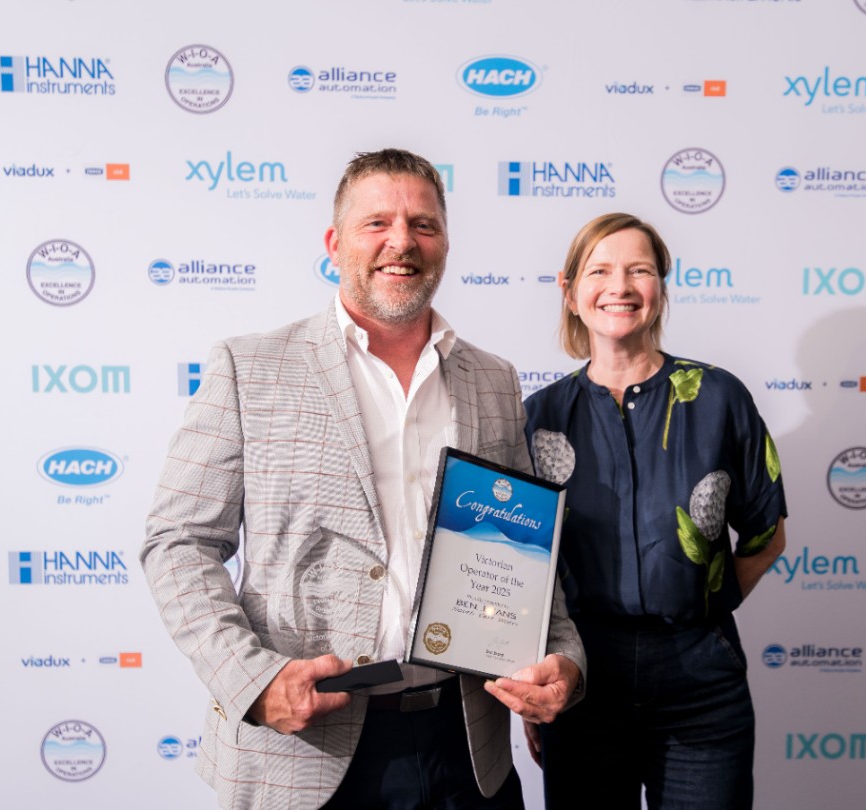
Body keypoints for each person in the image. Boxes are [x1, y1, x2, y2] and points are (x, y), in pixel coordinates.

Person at [141, 149, 584, 810]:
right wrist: (252, 681)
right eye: (377, 223)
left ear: (445, 243)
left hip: (467, 746)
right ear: (334, 243)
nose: (401, 241)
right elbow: (177, 543)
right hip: (304, 751)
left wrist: (563, 655)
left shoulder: (493, 379)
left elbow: (523, 549)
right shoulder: (249, 368)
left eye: (423, 225)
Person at [523, 213, 786, 810]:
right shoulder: (538, 417)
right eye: (599, 271)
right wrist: (536, 679)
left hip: (700, 682)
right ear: (569, 290)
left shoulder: (719, 398)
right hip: (581, 678)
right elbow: (524, 566)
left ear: (661, 288)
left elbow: (766, 536)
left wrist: (703, 607)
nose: (619, 286)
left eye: (638, 270)